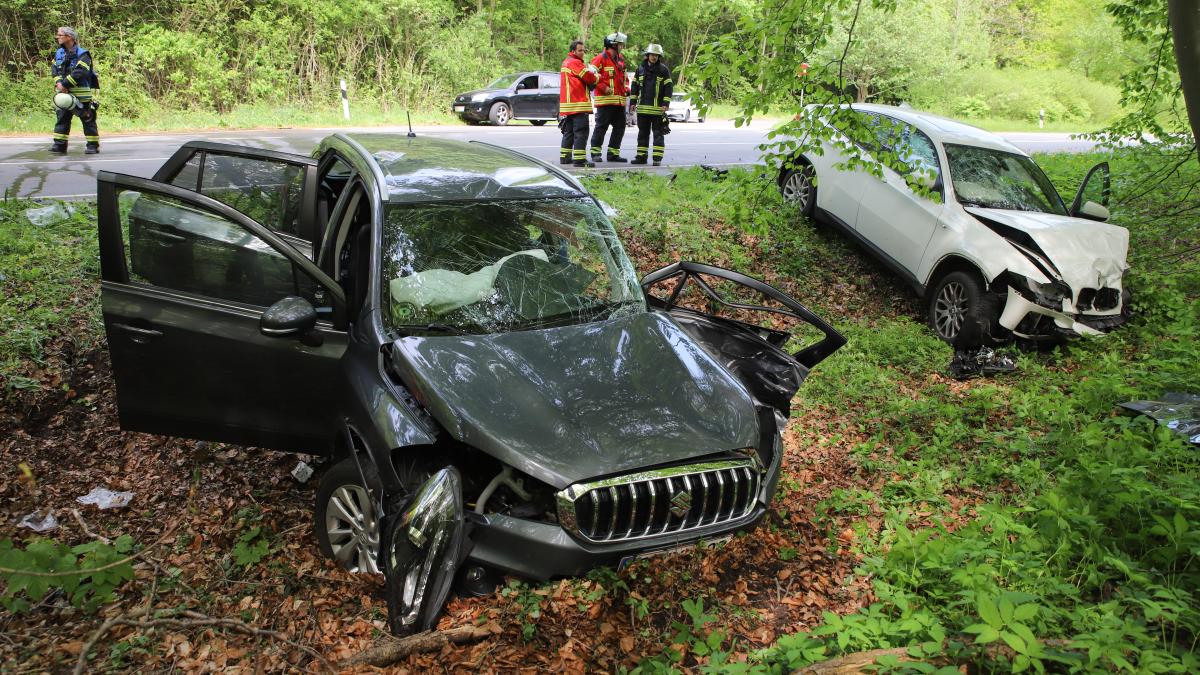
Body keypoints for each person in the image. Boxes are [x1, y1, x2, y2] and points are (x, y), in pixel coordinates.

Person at [50, 26, 100, 154]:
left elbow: (80, 72)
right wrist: (59, 83)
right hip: (63, 94)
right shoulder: (58, 53)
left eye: (60, 35)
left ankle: (92, 146)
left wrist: (65, 85)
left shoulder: (83, 54)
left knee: (88, 118)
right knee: (62, 118)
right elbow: (55, 70)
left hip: (81, 94)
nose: (58, 37)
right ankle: (59, 145)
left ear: (69, 37)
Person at [588, 32, 629, 163]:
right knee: (601, 127)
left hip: (619, 102)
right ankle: (595, 153)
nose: (621, 47)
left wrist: (627, 88)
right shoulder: (600, 58)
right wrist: (603, 87)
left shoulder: (621, 59)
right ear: (613, 45)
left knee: (620, 128)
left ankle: (613, 154)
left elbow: (625, 78)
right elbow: (591, 75)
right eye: (620, 45)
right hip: (605, 102)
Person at [629, 44, 672, 166]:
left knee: (658, 134)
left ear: (659, 56)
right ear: (647, 55)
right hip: (642, 109)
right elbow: (635, 86)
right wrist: (633, 102)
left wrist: (665, 103)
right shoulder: (640, 69)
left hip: (657, 110)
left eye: (657, 55)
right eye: (652, 55)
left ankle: (657, 159)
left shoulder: (663, 70)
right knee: (642, 134)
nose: (654, 57)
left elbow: (669, 87)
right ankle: (641, 157)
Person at [559, 40, 600, 168]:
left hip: (569, 105)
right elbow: (589, 78)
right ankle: (580, 160)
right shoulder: (575, 63)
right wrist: (597, 76)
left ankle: (565, 157)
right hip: (578, 103)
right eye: (580, 50)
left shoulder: (566, 62)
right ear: (573, 51)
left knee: (569, 132)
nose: (582, 53)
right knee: (581, 132)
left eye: (583, 50)